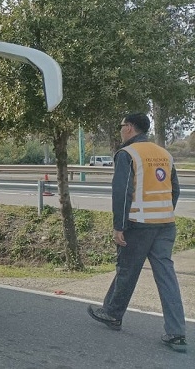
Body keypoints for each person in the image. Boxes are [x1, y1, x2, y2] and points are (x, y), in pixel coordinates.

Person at [87, 113, 186, 353]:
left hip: (138, 225)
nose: (121, 131)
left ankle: (112, 314)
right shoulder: (165, 154)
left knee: (127, 270)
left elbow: (121, 194)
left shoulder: (127, 154)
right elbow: (175, 190)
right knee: (166, 276)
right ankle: (177, 333)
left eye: (121, 126)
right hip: (165, 224)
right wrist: (163, 214)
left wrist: (119, 226)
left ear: (130, 128)